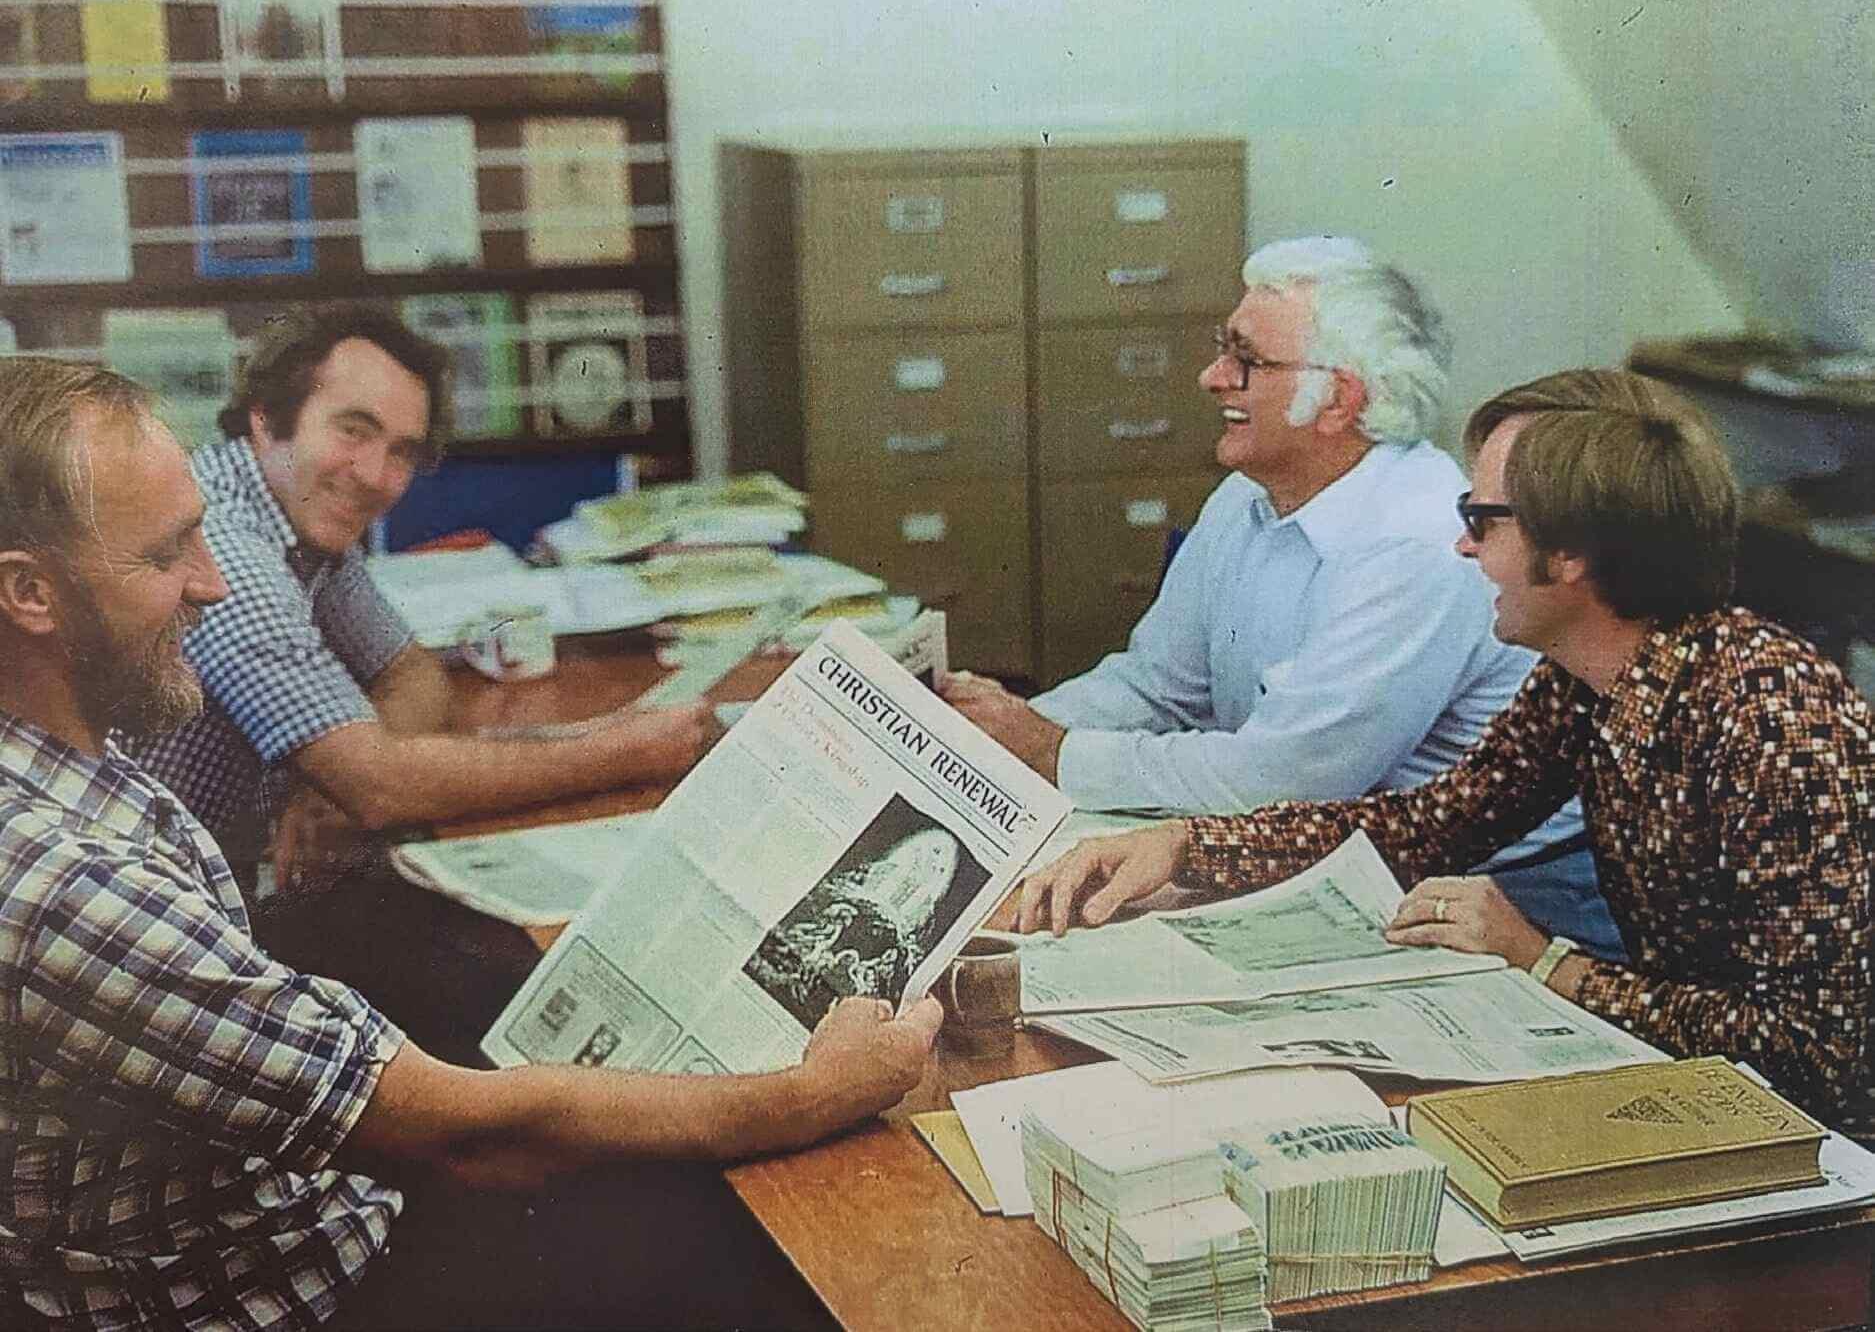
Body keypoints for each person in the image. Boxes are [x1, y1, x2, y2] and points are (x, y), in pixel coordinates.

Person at [0, 356, 941, 1330]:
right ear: (31, 593)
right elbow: (476, 1142)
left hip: (298, 1201)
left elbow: (406, 686)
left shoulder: (61, 748)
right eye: (166, 555)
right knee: (778, 1261)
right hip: (296, 1287)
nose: (213, 581)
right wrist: (810, 1092)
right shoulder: (60, 882)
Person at [1015, 369, 1875, 1137]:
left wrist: (1544, 961)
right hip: (1705, 1092)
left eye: (1481, 520)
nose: (1462, 546)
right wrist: (1188, 846)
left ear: (1570, 555)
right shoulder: (1584, 679)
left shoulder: (1774, 723)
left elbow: (1815, 1050)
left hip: (1821, 1146)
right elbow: (1432, 823)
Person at [944, 235, 1620, 956]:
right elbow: (1158, 685)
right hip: (1332, 846)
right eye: (1222, 350)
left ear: (1338, 400)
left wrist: (1053, 753)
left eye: (1247, 360)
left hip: (1509, 888)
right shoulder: (1247, 495)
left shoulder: (1415, 540)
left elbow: (1287, 781)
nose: (1212, 378)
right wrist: (993, 741)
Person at [127, 305, 716, 892]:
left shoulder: (303, 518)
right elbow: (381, 789)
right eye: (353, 430)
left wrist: (332, 779)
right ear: (265, 419)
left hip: (224, 875)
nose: (374, 475)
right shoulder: (226, 545)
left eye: (403, 452)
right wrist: (624, 751)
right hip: (162, 901)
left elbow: (411, 673)